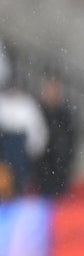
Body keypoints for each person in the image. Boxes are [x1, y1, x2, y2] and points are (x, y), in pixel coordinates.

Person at [0, 44, 48, 201]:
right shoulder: (2, 103)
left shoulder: (27, 105)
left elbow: (38, 131)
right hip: (5, 150)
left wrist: (32, 150)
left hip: (20, 152)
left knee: (19, 185)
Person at [35, 73, 77, 197]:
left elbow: (72, 139)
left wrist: (67, 158)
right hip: (43, 166)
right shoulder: (38, 112)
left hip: (60, 166)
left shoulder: (65, 115)